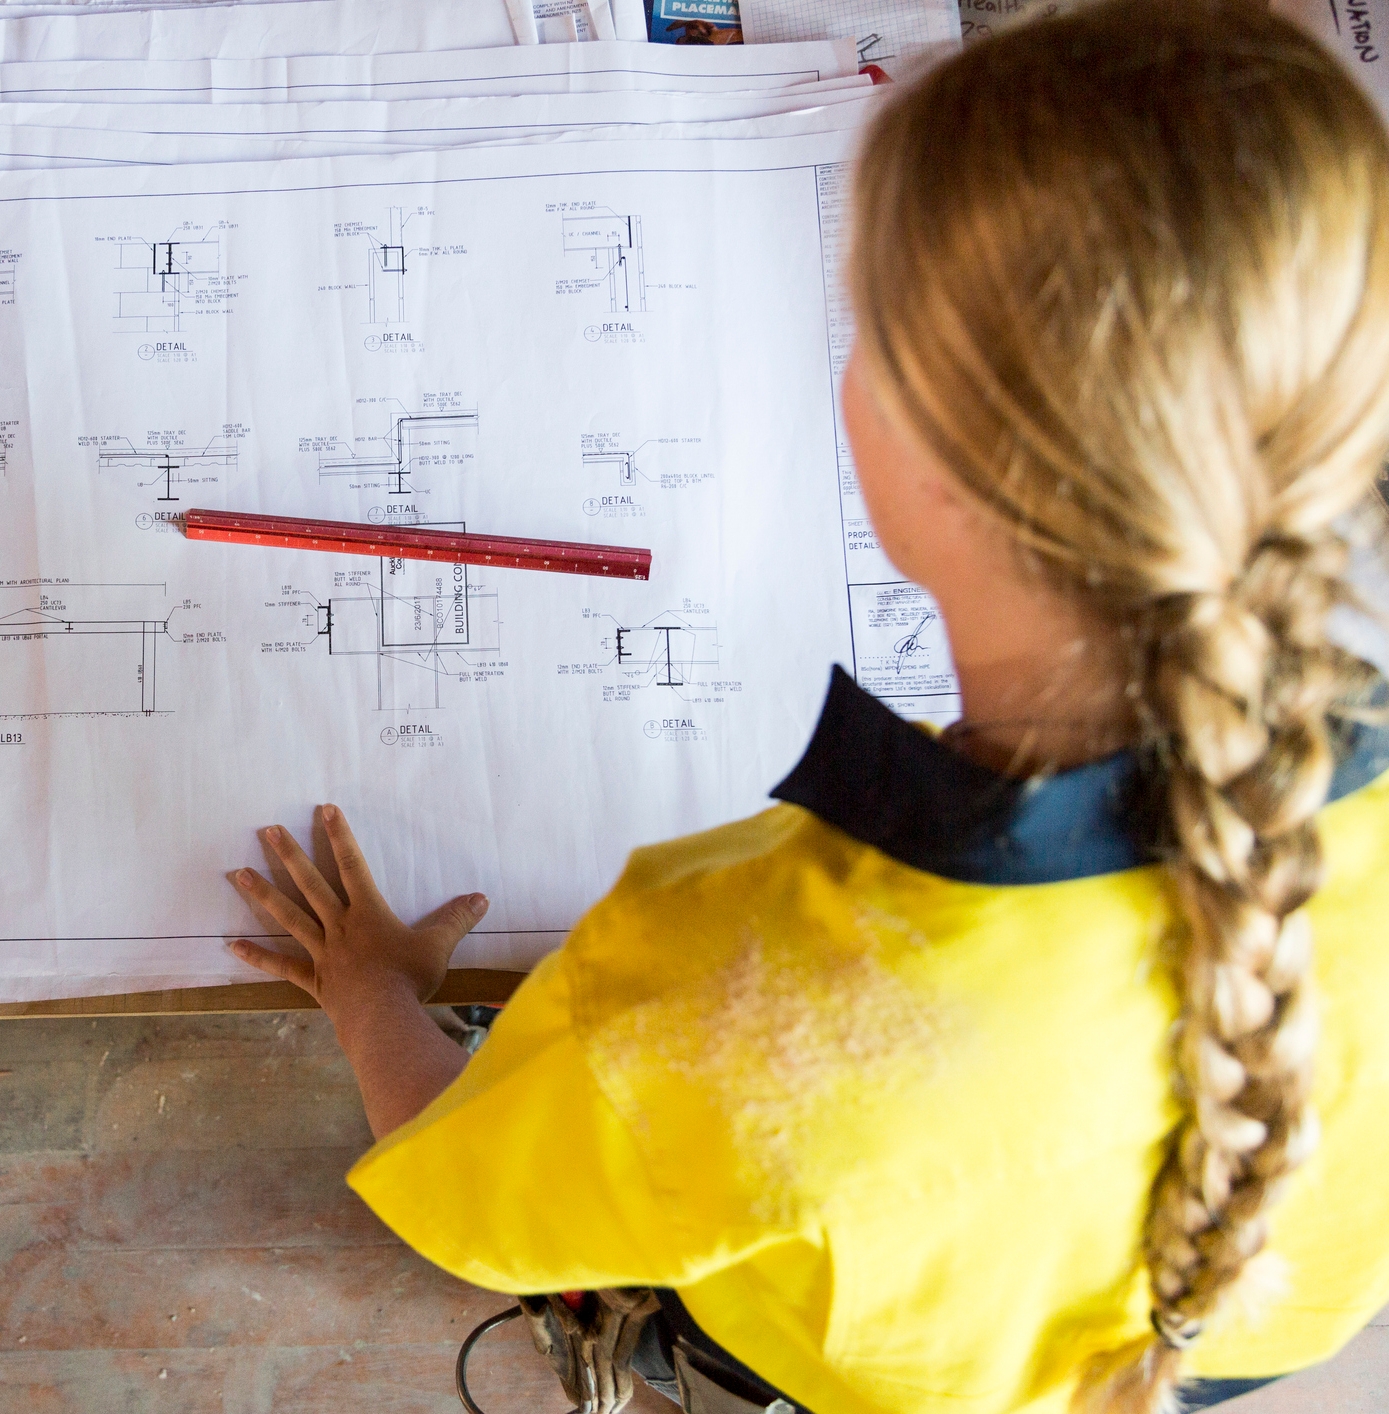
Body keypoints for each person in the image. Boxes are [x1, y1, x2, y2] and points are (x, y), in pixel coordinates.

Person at [222, 3, 1389, 1412]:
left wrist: (371, 989)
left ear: (942, 468)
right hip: (1222, 1341)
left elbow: (466, 1210)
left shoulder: (724, 982)